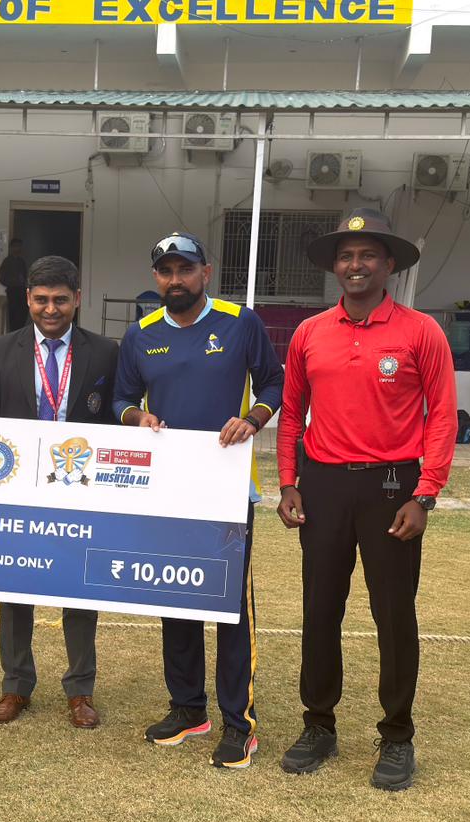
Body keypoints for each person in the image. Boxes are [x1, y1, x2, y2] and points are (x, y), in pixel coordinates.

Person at [275, 207, 457, 792]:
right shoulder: (310, 333)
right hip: (324, 486)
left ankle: (397, 735)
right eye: (346, 256)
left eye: (368, 255)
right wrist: (288, 481)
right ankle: (318, 726)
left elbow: (442, 416)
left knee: (393, 614)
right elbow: (291, 414)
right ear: (335, 266)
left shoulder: (421, 331)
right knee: (320, 610)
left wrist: (425, 494)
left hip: (391, 489)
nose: (356, 265)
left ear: (389, 265)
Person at [113, 231, 283, 770]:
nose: (175, 280)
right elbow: (121, 398)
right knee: (176, 596)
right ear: (155, 277)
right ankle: (188, 708)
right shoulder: (140, 334)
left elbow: (274, 384)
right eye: (165, 271)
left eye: (185, 269)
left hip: (228, 490)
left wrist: (253, 419)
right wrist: (137, 417)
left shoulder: (240, 322)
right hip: (169, 490)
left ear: (205, 273)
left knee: (230, 607)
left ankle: (239, 724)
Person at [0, 256, 119, 729]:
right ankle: (16, 686)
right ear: (27, 298)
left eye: (61, 300)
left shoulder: (105, 352)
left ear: (77, 299)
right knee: (15, 589)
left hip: (79, 487)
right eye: (42, 299)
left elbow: (117, 415)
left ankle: (80, 690)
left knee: (81, 589)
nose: (51, 309)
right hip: (18, 492)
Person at [0, 237, 29, 332]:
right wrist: (11, 283)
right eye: (15, 246)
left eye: (19, 246)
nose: (18, 248)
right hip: (12, 290)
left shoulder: (22, 261)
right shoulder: (7, 261)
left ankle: (21, 331)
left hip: (22, 290)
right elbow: (0, 277)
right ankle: (13, 333)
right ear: (11, 248)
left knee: (23, 312)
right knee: (13, 313)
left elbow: (25, 275)